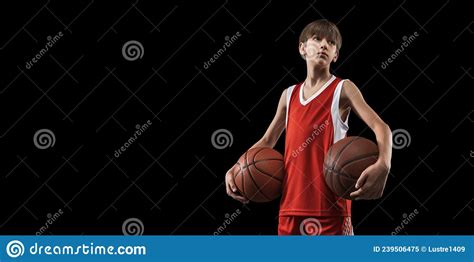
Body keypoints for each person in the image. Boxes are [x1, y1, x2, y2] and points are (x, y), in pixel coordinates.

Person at [225, 19, 392, 235]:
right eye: (317, 39)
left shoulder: (342, 88)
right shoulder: (288, 95)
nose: (324, 45)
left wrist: (384, 163)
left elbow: (381, 127)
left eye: (331, 43)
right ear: (302, 48)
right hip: (290, 207)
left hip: (331, 207)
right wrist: (236, 168)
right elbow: (267, 141)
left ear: (335, 55)